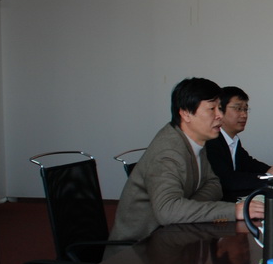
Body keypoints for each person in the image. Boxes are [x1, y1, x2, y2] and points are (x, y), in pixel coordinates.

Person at [109, 77, 263, 242]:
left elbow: (214, 184)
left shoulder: (196, 141)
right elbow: (168, 211)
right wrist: (233, 211)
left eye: (219, 108)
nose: (220, 116)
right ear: (186, 113)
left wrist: (185, 206)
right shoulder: (168, 152)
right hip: (139, 248)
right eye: (212, 109)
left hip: (173, 236)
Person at [206, 86, 273, 202]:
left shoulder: (233, 140)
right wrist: (268, 176)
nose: (244, 115)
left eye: (245, 109)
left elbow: (248, 163)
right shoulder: (212, 141)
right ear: (220, 111)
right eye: (238, 109)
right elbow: (227, 180)